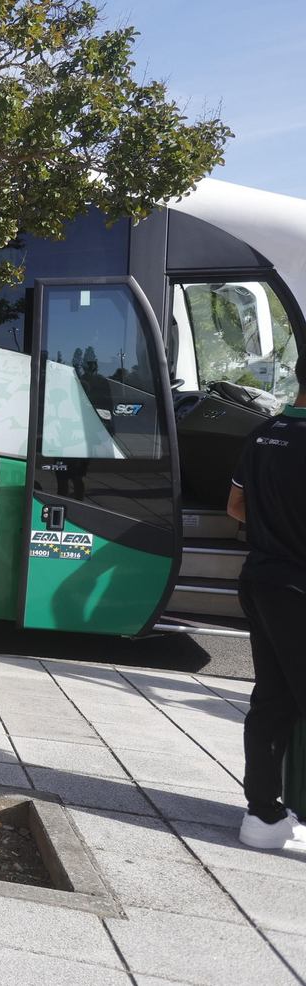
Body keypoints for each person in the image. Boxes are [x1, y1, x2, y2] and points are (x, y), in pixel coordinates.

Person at [227, 359, 306, 849]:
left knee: (271, 702)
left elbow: (234, 506)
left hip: (260, 580)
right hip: (299, 588)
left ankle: (263, 817)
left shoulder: (262, 433)